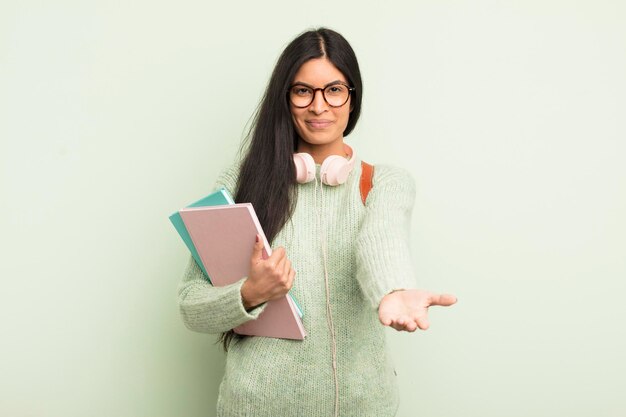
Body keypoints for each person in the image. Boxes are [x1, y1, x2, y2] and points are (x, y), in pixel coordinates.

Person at [177, 27, 457, 417]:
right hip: (257, 407)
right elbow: (191, 305)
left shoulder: (384, 183)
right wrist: (250, 293)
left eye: (334, 89)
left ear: (352, 97)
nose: (319, 106)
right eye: (303, 91)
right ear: (286, 98)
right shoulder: (240, 183)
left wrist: (393, 289)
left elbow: (381, 238)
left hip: (363, 406)